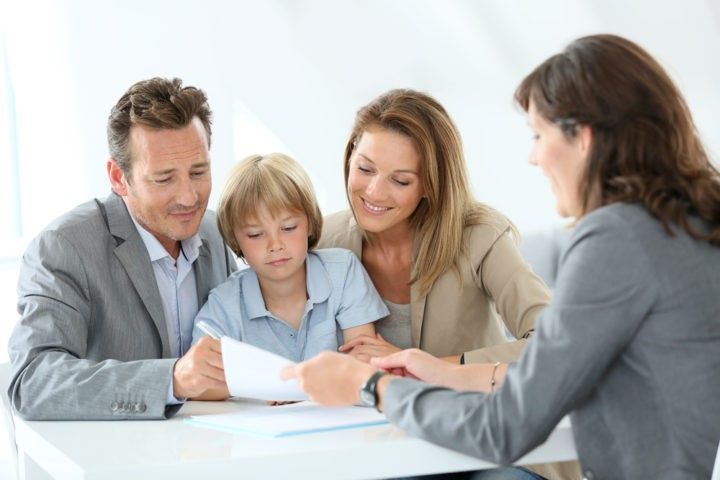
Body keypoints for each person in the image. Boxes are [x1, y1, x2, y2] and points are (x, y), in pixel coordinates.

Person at [282, 34, 720, 479]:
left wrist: (372, 385)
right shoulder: (690, 228)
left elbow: (506, 426)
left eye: (538, 134)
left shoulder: (615, 240)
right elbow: (554, 375)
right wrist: (436, 371)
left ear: (583, 139)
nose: (533, 157)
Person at [319, 88, 577, 479]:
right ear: (350, 155)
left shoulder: (480, 236)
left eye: (400, 180)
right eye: (365, 168)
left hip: (487, 444)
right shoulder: (323, 241)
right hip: (380, 448)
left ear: (430, 185)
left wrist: (430, 369)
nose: (374, 192)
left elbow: (555, 343)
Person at [8, 77, 237, 420]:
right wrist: (171, 380)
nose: (189, 197)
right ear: (118, 177)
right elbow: (33, 382)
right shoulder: (63, 247)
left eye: (198, 172)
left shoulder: (215, 232)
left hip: (214, 444)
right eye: (164, 178)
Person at [191, 153, 388, 400]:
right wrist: (271, 385)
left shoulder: (343, 270)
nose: (275, 245)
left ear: (310, 223)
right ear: (236, 239)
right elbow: (199, 384)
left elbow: (363, 362)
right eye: (255, 234)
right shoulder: (224, 302)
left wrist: (278, 383)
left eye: (288, 228)